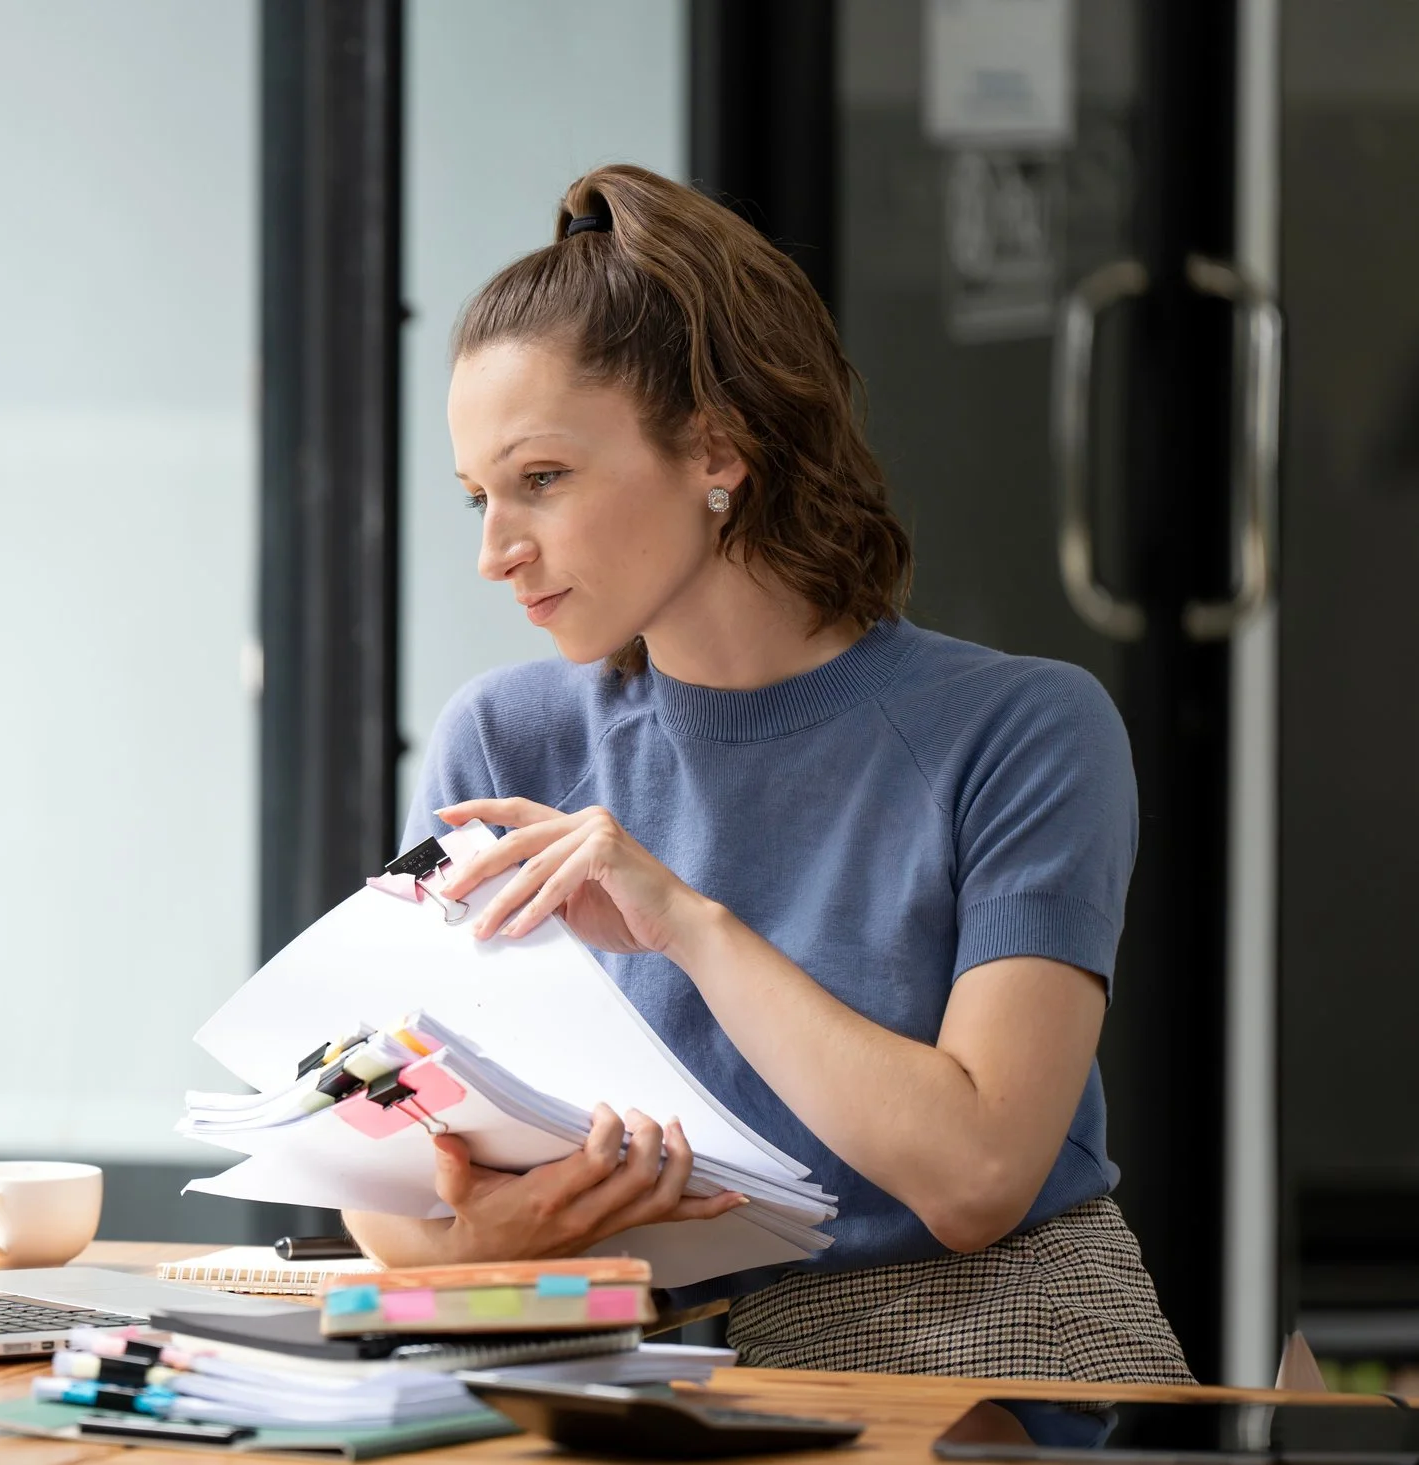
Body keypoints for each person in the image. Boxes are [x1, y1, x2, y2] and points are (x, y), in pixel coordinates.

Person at [339, 164, 1192, 1383]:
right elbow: (380, 1140)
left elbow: (976, 1179)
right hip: (610, 1356)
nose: (493, 551)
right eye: (478, 496)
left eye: (539, 480)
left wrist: (685, 922)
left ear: (716, 450)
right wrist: (463, 1242)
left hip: (976, 1354)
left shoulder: (1026, 729)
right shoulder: (499, 739)